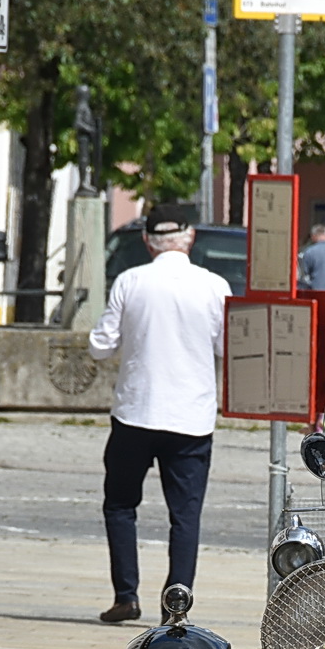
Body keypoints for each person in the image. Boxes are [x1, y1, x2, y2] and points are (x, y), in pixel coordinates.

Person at [89, 203, 230, 624]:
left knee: (119, 504)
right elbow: (227, 347)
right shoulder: (214, 286)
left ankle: (126, 596)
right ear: (189, 238)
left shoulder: (130, 281)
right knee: (185, 515)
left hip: (136, 410)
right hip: (192, 416)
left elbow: (100, 345)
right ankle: (177, 605)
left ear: (148, 241)